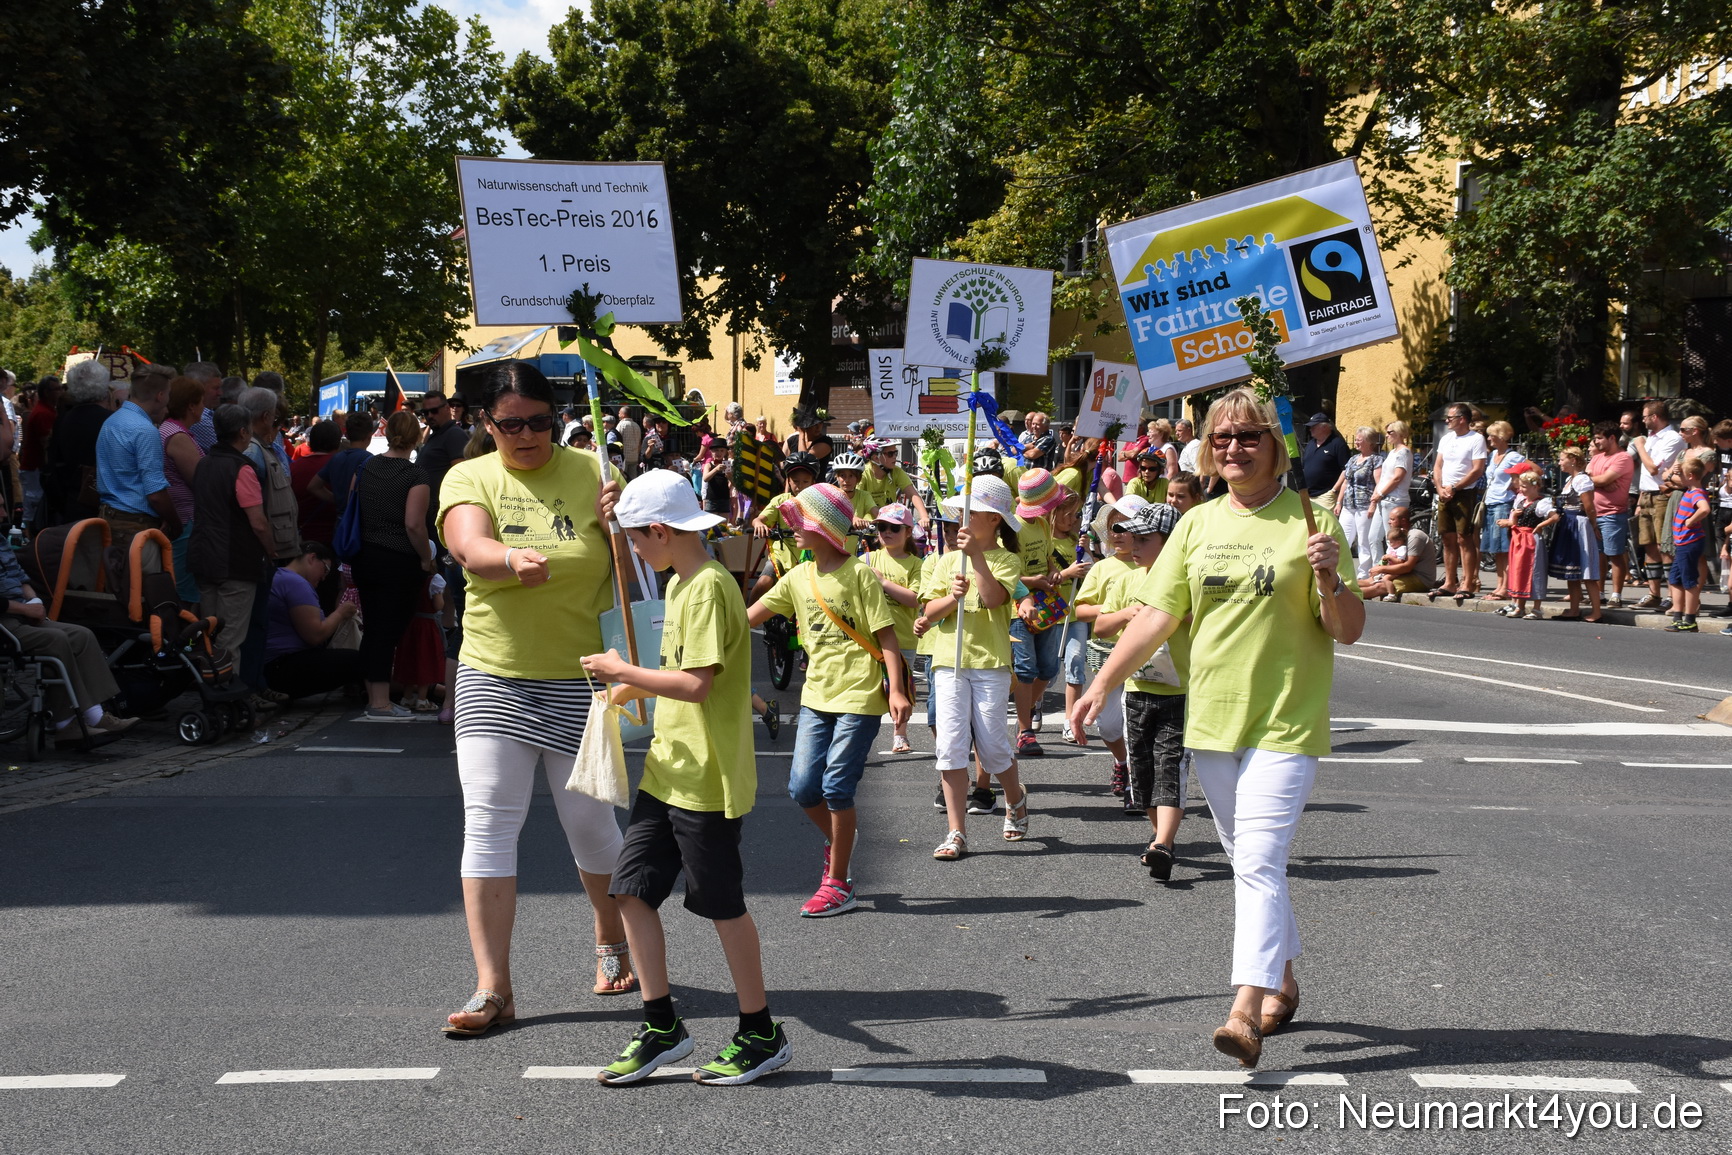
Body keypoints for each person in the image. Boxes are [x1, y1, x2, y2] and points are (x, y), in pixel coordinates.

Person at [1072, 385, 1364, 1070]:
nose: (1233, 447)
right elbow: (1156, 616)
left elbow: (1346, 629)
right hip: (1211, 722)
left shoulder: (1311, 520)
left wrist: (1329, 577)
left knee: (1258, 861)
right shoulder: (1197, 523)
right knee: (1251, 862)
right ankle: (1284, 983)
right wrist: (1101, 683)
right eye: (1222, 437)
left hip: (1286, 721)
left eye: (1248, 436)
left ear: (1275, 444)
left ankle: (1244, 1006)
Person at [436, 359, 637, 1037]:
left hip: (583, 679)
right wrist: (506, 560)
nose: (527, 435)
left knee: (591, 828)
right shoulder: (470, 476)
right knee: (489, 821)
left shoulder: (593, 471)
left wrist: (625, 522)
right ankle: (494, 987)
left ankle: (610, 934)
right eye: (511, 423)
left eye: (541, 421)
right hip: (494, 674)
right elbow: (467, 544)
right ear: (485, 422)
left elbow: (642, 570)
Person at [579, 469, 789, 1086]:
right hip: (668, 770)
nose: (637, 551)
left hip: (706, 776)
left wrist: (624, 669)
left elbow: (698, 685)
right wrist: (627, 688)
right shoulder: (682, 584)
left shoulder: (706, 587)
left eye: (637, 540)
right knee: (630, 891)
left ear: (661, 531)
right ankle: (662, 1024)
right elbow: (680, 677)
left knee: (723, 906)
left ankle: (760, 1033)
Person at [747, 483, 909, 917]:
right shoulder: (797, 576)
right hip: (816, 696)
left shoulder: (858, 574)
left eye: (802, 523)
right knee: (802, 787)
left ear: (825, 528)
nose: (794, 530)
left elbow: (887, 635)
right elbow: (748, 617)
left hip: (859, 694)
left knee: (837, 785)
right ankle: (842, 839)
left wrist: (895, 689)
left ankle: (839, 882)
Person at [923, 475, 1030, 860]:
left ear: (995, 520)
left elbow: (994, 598)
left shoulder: (1007, 559)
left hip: (990, 664)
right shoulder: (945, 560)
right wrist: (950, 599)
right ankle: (956, 832)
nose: (964, 518)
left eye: (975, 512)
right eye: (962, 511)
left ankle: (1015, 799)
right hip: (948, 663)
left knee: (994, 748)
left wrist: (978, 560)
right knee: (950, 748)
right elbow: (929, 612)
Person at [1094, 502, 1188, 872]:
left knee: (1170, 765)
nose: (1134, 546)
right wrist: (1127, 615)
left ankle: (1164, 841)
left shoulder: (1187, 581)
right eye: (1131, 538)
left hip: (1181, 690)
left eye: (1144, 539)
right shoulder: (1127, 580)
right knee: (1143, 768)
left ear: (1172, 542)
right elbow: (1101, 626)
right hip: (1136, 689)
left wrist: (1167, 615)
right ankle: (1158, 837)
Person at [0, 541, 136, 735]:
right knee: (55, 639)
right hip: (5, 621)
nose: (4, 514)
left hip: (23, 614)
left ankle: (96, 714)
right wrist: (26, 608)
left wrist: (35, 602)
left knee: (82, 635)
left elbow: (21, 578)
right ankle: (66, 722)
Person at [190, 404, 278, 699]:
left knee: (210, 636)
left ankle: (210, 693)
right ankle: (229, 700)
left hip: (205, 557)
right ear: (243, 431)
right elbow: (259, 523)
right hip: (234, 561)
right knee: (230, 638)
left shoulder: (204, 463)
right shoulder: (241, 468)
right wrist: (271, 552)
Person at [348, 411, 433, 717]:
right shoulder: (415, 475)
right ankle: (380, 702)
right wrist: (426, 558)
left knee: (372, 627)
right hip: (399, 560)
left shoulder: (366, 466)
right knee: (388, 631)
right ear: (416, 437)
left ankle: (373, 694)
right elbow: (414, 525)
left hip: (365, 556)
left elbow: (352, 505)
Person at [1071, 499, 1140, 796]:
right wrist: (1116, 611)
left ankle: (1137, 780)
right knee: (1110, 727)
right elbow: (1081, 611)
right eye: (1115, 527)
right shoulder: (1103, 568)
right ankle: (1121, 760)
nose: (1120, 533)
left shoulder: (1156, 565)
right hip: (1107, 655)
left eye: (1128, 526)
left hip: (1146, 656)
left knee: (1136, 724)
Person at [262, 541, 363, 700]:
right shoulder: (295, 582)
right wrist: (341, 613)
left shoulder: (280, 576)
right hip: (284, 666)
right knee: (360, 661)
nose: (324, 577)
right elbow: (315, 635)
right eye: (325, 569)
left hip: (275, 666)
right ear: (312, 558)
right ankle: (400, 688)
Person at [93, 365, 179, 544]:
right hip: (135, 524)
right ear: (160, 395)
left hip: (108, 516)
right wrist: (176, 523)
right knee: (140, 572)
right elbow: (155, 493)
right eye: (169, 394)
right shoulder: (144, 430)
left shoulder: (111, 421)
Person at [864, 502, 923, 754]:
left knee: (901, 689)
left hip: (903, 638)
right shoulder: (867, 559)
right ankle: (863, 734)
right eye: (882, 527)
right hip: (870, 639)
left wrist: (883, 582)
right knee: (870, 689)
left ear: (908, 532)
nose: (887, 532)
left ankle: (900, 733)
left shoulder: (915, 564)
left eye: (894, 528)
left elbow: (915, 598)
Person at [1629, 399, 1684, 608]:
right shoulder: (1650, 438)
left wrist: (1640, 446)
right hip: (1647, 496)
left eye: (1644, 417)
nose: (1642, 421)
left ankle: (1672, 594)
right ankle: (1654, 594)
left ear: (1654, 417)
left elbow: (1653, 469)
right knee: (1649, 544)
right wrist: (1641, 499)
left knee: (1665, 545)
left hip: (1663, 496)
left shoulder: (1672, 438)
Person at [1431, 403, 1489, 600]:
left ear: (1462, 419)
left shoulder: (1476, 439)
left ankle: (1467, 583)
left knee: (1464, 537)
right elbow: (1438, 465)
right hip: (1444, 492)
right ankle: (1449, 581)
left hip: (1464, 492)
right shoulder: (1446, 439)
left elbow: (1477, 469)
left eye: (1450, 417)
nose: (1447, 420)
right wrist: (1440, 488)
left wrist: (1455, 487)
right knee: (1447, 538)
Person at [1548, 447, 1603, 622]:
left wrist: (1593, 526)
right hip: (1568, 524)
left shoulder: (1582, 480)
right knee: (1571, 570)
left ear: (1572, 459)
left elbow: (1589, 507)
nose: (1559, 463)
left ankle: (1596, 611)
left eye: (1561, 459)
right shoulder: (1570, 480)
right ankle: (1574, 609)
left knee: (1586, 569)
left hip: (1578, 524)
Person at [1588, 421, 1635, 607]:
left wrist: (1600, 481)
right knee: (1598, 555)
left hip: (1612, 513)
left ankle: (1616, 594)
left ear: (1612, 438)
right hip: (1593, 513)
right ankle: (1599, 593)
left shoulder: (1623, 458)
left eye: (1599, 438)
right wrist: (1601, 482)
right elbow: (1584, 478)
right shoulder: (1597, 457)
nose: (1596, 442)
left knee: (1614, 554)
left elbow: (1603, 478)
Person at [1498, 467, 1555, 620]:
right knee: (1519, 571)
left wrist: (1540, 526)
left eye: (1524, 486)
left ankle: (1537, 609)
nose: (1521, 489)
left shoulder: (1542, 502)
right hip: (1519, 539)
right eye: (1521, 486)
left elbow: (1554, 517)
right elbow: (1514, 522)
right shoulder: (1521, 501)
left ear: (1535, 486)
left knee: (1535, 571)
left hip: (1531, 539)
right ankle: (1520, 607)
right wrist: (1512, 520)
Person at [1479, 421, 1526, 599]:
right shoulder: (1493, 456)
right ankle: (1500, 585)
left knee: (1503, 547)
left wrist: (1516, 486)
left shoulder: (1513, 456)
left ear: (1501, 436)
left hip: (1503, 503)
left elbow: (1530, 471)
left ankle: (1506, 587)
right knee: (1496, 548)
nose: (1489, 438)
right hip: (1491, 503)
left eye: (1492, 435)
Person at [1664, 454, 1711, 633]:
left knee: (1688, 580)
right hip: (1682, 543)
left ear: (1690, 476)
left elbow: (1705, 508)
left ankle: (1690, 619)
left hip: (1690, 542)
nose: (1679, 479)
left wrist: (1691, 520)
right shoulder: (1689, 492)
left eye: (1681, 475)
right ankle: (1678, 616)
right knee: (1675, 579)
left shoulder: (1697, 493)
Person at [1331, 427, 1384, 582]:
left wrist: (1373, 504)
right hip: (1348, 505)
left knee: (1363, 541)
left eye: (1359, 439)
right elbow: (1346, 482)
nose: (1356, 441)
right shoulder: (1353, 459)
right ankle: (1340, 572)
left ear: (1369, 442)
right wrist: (1339, 502)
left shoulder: (1376, 460)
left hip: (1364, 505)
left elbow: (1379, 483)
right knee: (1343, 538)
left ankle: (1363, 574)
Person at [1359, 505, 1437, 601]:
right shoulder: (1398, 537)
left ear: (1403, 521)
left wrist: (1381, 569)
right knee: (1369, 581)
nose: (1389, 522)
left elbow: (1407, 567)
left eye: (1392, 519)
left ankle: (1348, 597)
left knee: (1380, 585)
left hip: (1419, 578)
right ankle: (1342, 590)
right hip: (1402, 573)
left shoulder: (1415, 536)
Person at [416, 390, 470, 527]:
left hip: (441, 513)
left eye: (434, 411)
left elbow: (461, 477)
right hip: (429, 512)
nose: (429, 416)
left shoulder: (454, 435)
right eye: (425, 412)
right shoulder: (438, 434)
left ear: (446, 409)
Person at [307, 411, 376, 517]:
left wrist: (337, 499)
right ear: (370, 436)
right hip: (361, 523)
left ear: (347, 435)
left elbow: (313, 486)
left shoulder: (336, 458)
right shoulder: (370, 460)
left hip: (341, 523)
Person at [290, 420, 341, 546]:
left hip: (302, 539)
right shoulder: (342, 466)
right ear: (337, 441)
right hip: (336, 538)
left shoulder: (294, 468)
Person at [19, 376, 57, 528]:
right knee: (34, 503)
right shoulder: (42, 413)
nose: (60, 392)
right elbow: (45, 442)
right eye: (57, 389)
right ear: (47, 392)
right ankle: (29, 535)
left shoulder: (45, 411)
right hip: (35, 466)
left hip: (34, 466)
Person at [1299, 413, 1350, 496]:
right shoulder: (1311, 444)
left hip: (1326, 495)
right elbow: (1304, 466)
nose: (1310, 429)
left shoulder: (1338, 444)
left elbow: (1346, 469)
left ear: (1324, 427)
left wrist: (1334, 490)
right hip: (1308, 494)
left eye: (1313, 427)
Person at [701, 436, 733, 519]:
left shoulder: (727, 465)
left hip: (724, 498)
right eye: (716, 450)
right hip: (712, 499)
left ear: (725, 452)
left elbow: (734, 483)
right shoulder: (709, 465)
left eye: (722, 451)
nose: (719, 453)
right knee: (711, 526)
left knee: (723, 526)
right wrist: (715, 469)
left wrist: (730, 476)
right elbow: (705, 478)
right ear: (711, 452)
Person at [616, 405, 642, 475]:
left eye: (619, 413)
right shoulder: (637, 426)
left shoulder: (621, 425)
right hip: (634, 456)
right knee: (632, 478)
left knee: (623, 477)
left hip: (624, 456)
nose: (618, 414)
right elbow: (639, 442)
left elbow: (617, 439)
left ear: (623, 414)